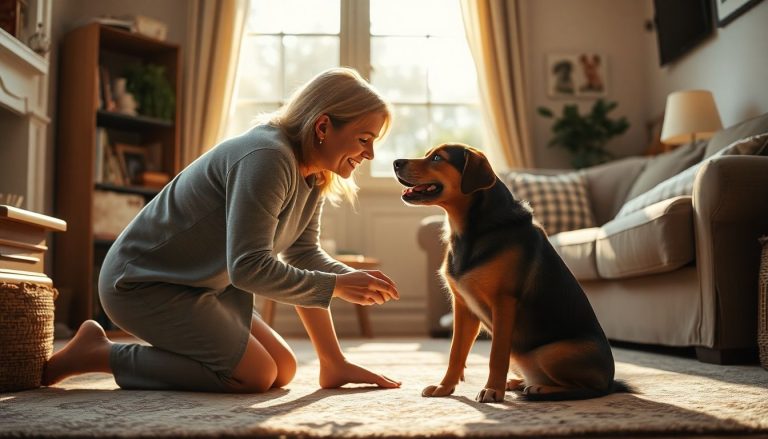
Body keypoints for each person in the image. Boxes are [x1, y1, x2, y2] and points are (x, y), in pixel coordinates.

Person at [43, 67, 402, 393]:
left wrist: (333, 357)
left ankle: (330, 364)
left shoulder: (315, 173)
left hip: (204, 286)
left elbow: (303, 254)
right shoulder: (268, 157)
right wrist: (338, 286)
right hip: (141, 283)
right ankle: (99, 353)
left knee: (284, 368)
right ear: (323, 127)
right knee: (254, 375)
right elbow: (249, 266)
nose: (370, 154)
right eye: (364, 139)